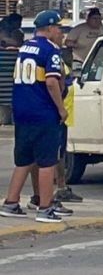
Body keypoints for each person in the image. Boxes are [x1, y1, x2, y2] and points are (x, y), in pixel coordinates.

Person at [1, 11, 70, 223]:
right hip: (43, 112)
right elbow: (51, 82)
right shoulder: (50, 51)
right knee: (47, 161)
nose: (61, 32)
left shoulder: (25, 48)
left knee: (24, 160)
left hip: (22, 111)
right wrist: (60, 108)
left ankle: (11, 202)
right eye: (59, 28)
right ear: (49, 29)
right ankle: (45, 207)